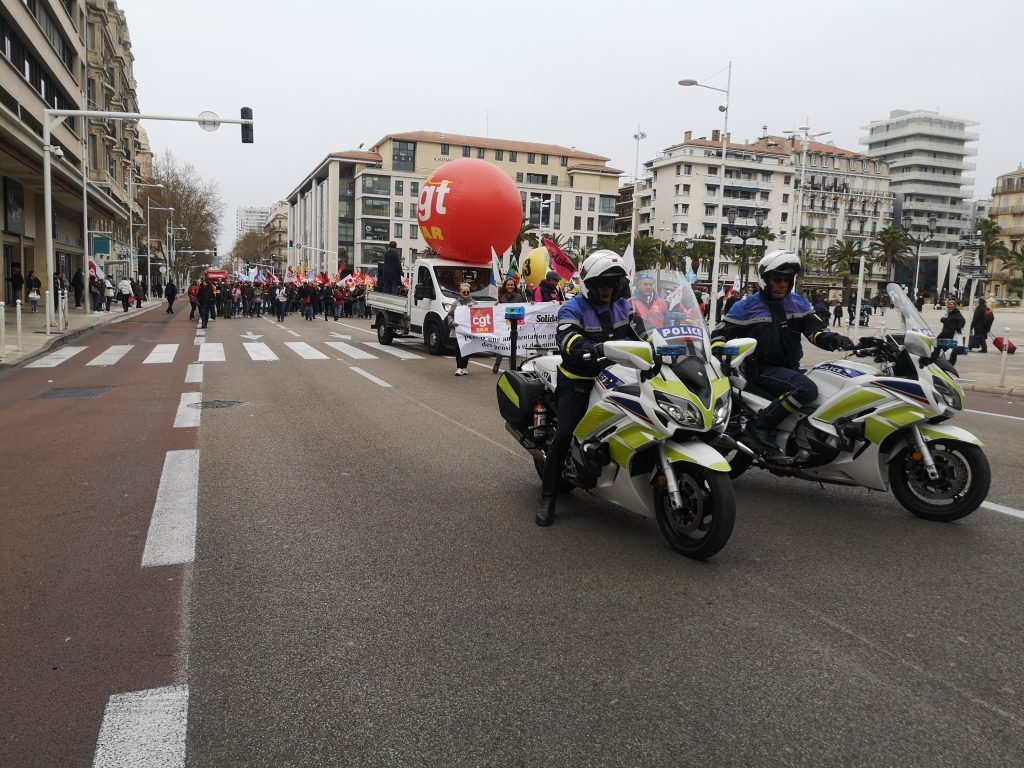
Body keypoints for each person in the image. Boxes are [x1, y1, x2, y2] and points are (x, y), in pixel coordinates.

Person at [710, 250, 855, 461]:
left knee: (833, 386)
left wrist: (833, 339)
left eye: (787, 279)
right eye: (777, 279)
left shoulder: (798, 303)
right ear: (765, 280)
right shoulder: (746, 307)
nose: (783, 284)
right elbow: (720, 333)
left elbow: (814, 332)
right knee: (805, 389)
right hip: (762, 369)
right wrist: (720, 354)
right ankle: (760, 425)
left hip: (790, 367)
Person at [538, 250, 634, 527]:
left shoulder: (623, 307)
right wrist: (584, 348)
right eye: (603, 284)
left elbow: (640, 332)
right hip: (579, 379)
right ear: (590, 284)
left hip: (617, 376)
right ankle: (548, 499)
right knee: (565, 435)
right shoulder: (573, 307)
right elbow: (566, 336)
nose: (607, 290)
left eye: (612, 284)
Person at [492, 277, 526, 373]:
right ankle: (497, 364)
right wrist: (496, 304)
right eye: (508, 285)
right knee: (501, 344)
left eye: (512, 285)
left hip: (515, 325)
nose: (510, 286)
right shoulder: (500, 296)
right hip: (503, 324)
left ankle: (512, 366)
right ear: (505, 286)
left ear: (514, 286)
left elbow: (525, 308)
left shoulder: (519, 297)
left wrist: (531, 304)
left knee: (512, 345)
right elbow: (497, 310)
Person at [446, 282, 475, 376]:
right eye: (464, 292)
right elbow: (449, 315)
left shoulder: (474, 303)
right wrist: (452, 322)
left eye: (468, 292)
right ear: (460, 292)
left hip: (469, 331)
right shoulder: (456, 303)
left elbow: (480, 313)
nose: (466, 294)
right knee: (459, 349)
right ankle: (459, 367)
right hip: (458, 330)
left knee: (467, 349)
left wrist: (473, 308)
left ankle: (464, 367)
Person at [938, 297, 966, 366]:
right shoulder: (948, 313)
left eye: (951, 304)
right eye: (948, 304)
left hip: (950, 334)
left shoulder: (956, 313)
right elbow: (944, 320)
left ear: (955, 305)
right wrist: (944, 319)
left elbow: (962, 321)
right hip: (944, 333)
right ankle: (942, 361)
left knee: (949, 350)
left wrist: (958, 327)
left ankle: (950, 363)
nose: (949, 305)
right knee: (938, 346)